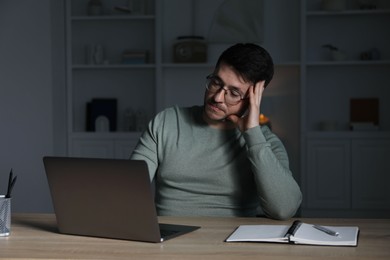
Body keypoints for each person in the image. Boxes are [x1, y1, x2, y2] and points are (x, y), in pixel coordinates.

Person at [130, 43, 302, 220]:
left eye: (234, 93)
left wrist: (252, 134)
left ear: (253, 99)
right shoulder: (166, 122)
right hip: (169, 242)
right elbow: (129, 189)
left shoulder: (265, 143)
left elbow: (284, 209)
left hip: (234, 243)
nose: (217, 97)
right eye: (215, 82)